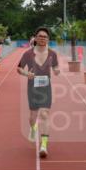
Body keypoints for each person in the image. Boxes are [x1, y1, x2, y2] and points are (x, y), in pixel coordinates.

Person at [17, 27, 60, 158]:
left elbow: (55, 66)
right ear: (35, 38)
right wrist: (26, 73)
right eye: (40, 36)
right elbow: (19, 68)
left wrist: (57, 70)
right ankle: (33, 128)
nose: (42, 38)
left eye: (45, 37)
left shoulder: (53, 54)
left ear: (48, 39)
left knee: (45, 115)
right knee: (33, 116)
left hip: (46, 87)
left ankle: (44, 145)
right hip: (33, 88)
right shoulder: (28, 54)